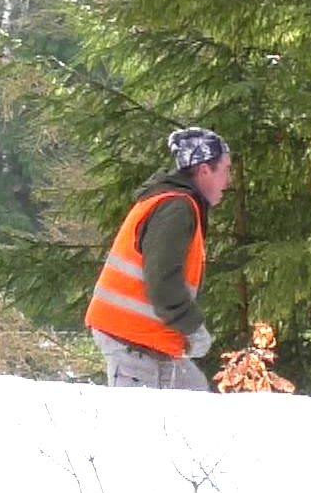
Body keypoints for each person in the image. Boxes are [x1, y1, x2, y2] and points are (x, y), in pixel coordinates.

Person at [84, 127, 232, 391]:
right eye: (226, 170)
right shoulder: (176, 208)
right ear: (204, 170)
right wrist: (193, 327)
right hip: (131, 340)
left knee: (195, 401)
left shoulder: (174, 202)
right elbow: (163, 281)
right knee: (141, 427)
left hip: (145, 339)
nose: (228, 181)